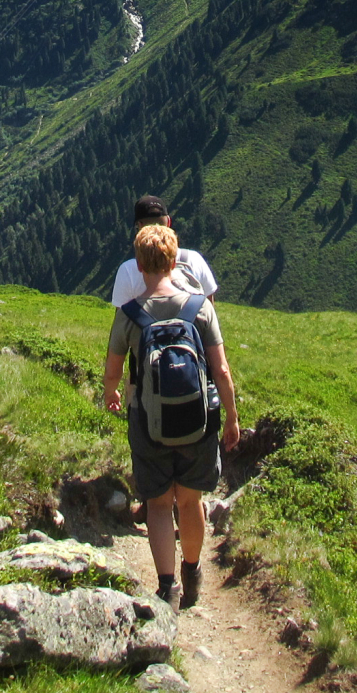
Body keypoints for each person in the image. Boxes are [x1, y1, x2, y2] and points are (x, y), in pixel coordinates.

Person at [102, 224, 240, 609]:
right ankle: (192, 571)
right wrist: (231, 417)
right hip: (198, 422)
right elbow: (222, 370)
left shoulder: (130, 314)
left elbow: (114, 367)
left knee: (160, 503)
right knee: (190, 500)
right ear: (174, 259)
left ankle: (167, 587)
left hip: (148, 421)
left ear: (140, 265)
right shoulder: (200, 308)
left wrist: (112, 392)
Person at [110, 195, 219, 307]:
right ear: (168, 222)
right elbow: (209, 307)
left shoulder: (128, 270)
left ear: (139, 226)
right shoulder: (194, 259)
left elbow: (122, 319)